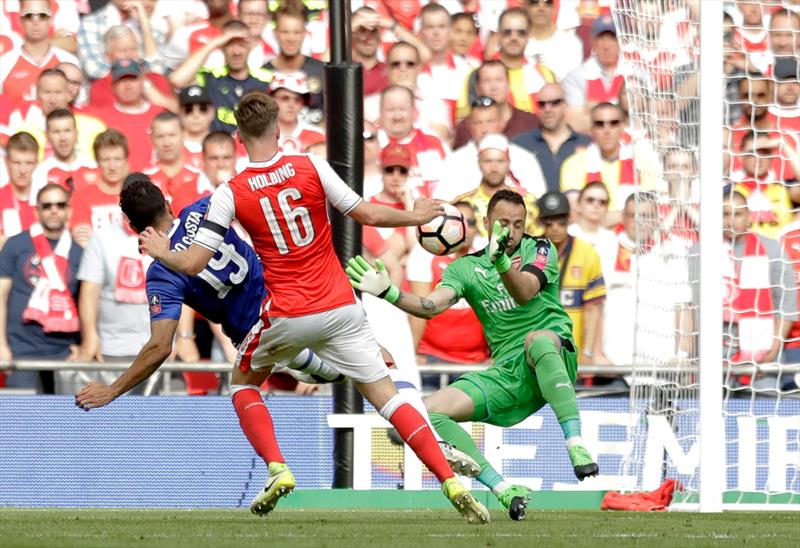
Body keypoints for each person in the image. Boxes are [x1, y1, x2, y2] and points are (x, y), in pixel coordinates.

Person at [138, 91, 489, 524]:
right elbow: (368, 215)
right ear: (278, 128)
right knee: (388, 397)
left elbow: (193, 262)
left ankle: (278, 468)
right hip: (340, 306)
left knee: (243, 384)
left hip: (286, 314)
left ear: (238, 137)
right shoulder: (311, 165)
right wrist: (416, 217)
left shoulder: (230, 192)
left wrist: (162, 251)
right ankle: (449, 481)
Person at [347, 188, 599, 521]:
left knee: (537, 340)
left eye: (519, 224)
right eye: (503, 223)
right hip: (508, 374)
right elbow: (430, 306)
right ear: (486, 223)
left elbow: (525, 292)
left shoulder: (540, 247)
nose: (511, 231)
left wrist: (502, 262)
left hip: (554, 356)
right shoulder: (465, 269)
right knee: (427, 413)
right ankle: (502, 489)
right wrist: (389, 292)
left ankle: (575, 442)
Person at [74, 178, 344, 421]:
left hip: (262, 334)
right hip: (289, 295)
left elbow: (160, 347)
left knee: (245, 392)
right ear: (167, 205)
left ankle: (279, 455)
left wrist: (113, 390)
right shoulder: (203, 208)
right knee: (344, 362)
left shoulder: (161, 274)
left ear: (134, 228)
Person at [0, 184, 81, 392]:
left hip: (64, 354)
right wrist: (1, 346)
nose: (54, 210)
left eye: (60, 205)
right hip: (20, 352)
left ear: (69, 210)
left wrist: (81, 345)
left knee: (65, 414)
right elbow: (1, 297)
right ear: (36, 211)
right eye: (47, 206)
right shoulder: (15, 245)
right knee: (21, 413)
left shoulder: (78, 251)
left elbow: (84, 302)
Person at [536, 191, 607, 364]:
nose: (555, 227)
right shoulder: (528, 251)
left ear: (569, 219)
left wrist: (587, 353)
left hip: (572, 354)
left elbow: (593, 308)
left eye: (561, 221)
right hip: (536, 352)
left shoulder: (587, 253)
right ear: (540, 222)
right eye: (549, 222)